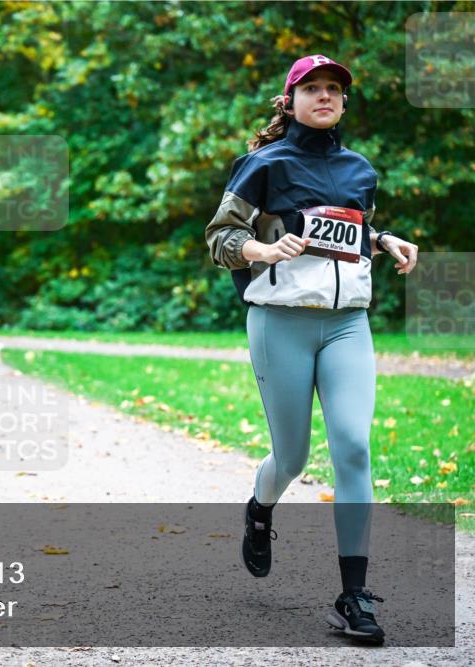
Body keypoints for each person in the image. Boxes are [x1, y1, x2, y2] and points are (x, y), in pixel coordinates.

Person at [205, 54, 419, 644]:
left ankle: (354, 594)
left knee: (353, 447)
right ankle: (260, 506)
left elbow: (341, 236)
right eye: (313, 88)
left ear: (344, 102)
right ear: (290, 99)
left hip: (349, 323)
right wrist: (262, 252)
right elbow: (222, 237)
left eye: (334, 89)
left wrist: (382, 238)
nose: (325, 96)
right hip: (281, 324)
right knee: (293, 458)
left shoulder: (359, 169)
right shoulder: (262, 165)